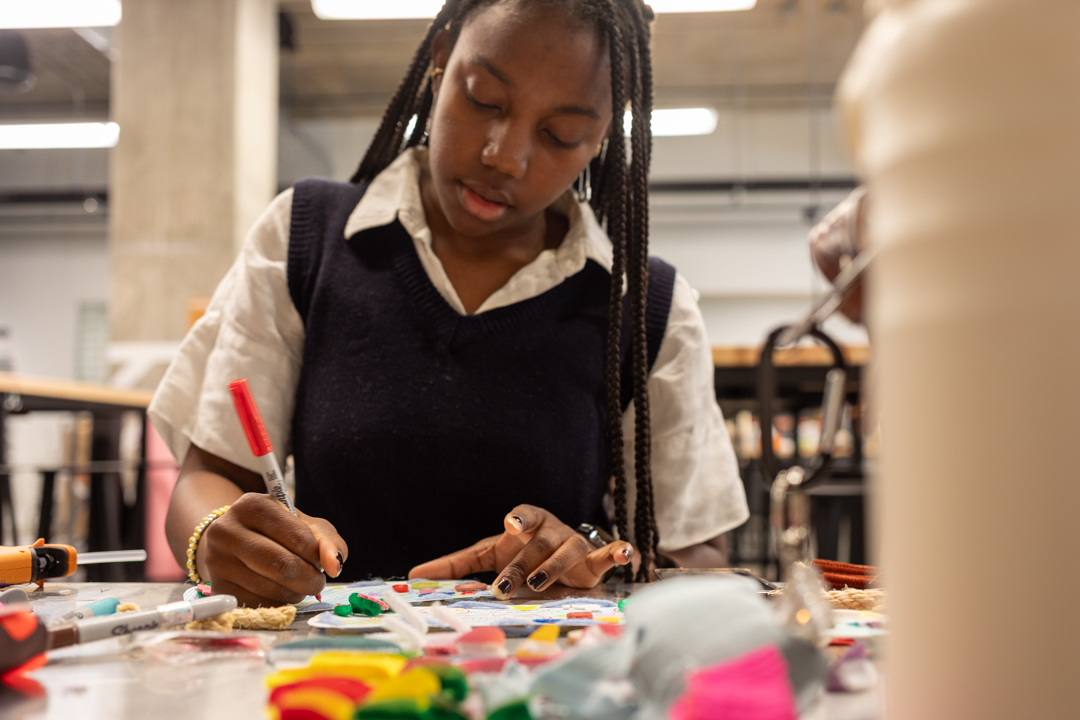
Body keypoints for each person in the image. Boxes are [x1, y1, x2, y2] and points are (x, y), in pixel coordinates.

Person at [150, 0, 749, 608]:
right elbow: (209, 476)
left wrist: (593, 549)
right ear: (440, 61)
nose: (505, 156)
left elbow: (697, 555)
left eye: (560, 134)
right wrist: (217, 538)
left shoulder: (643, 307)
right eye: (485, 99)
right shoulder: (305, 239)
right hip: (334, 675)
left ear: (600, 137)